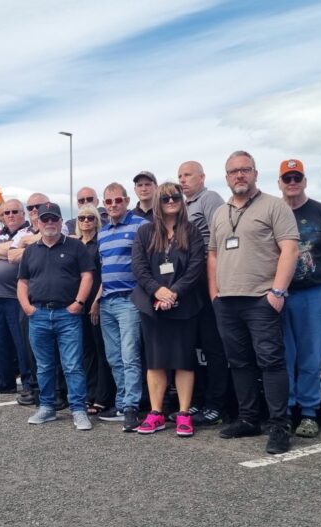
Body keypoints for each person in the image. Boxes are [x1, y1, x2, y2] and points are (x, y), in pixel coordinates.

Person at [208, 150, 299, 455]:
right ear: (227, 177)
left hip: (261, 299)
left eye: (245, 170)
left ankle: (279, 426)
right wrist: (214, 294)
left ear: (256, 173)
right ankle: (249, 419)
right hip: (227, 301)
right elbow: (213, 255)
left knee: (271, 362)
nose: (240, 175)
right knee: (239, 363)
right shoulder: (220, 213)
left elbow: (289, 250)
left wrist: (278, 292)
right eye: (234, 171)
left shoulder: (274, 207)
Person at [277, 159, 321, 438]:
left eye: (297, 177)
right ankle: (284, 411)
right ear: (279, 183)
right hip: (280, 294)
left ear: (305, 181)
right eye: (287, 178)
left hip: (314, 295)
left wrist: (317, 275)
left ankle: (308, 413)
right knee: (283, 356)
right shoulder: (273, 211)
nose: (292, 182)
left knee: (310, 356)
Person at [130, 183, 206, 437]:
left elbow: (196, 267)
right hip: (153, 306)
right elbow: (139, 267)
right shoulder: (145, 232)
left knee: (184, 360)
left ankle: (184, 414)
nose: (171, 201)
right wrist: (157, 291)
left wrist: (173, 293)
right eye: (165, 198)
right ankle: (156, 413)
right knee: (155, 361)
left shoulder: (192, 231)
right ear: (158, 202)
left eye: (175, 197)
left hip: (184, 304)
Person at [17, 203, 94, 430]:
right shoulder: (30, 251)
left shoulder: (75, 246)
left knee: (72, 365)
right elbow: (22, 282)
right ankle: (47, 408)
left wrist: (79, 303)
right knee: (44, 366)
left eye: (54, 219)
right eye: (45, 219)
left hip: (67, 314)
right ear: (38, 223)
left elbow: (87, 276)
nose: (49, 223)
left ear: (61, 221)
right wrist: (27, 307)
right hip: (38, 314)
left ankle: (78, 410)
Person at [177, 160, 229, 426]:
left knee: (212, 345)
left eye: (188, 175)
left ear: (202, 177)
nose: (183, 180)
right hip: (187, 282)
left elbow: (219, 237)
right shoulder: (180, 206)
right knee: (192, 345)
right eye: (180, 176)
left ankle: (216, 405)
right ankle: (195, 400)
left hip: (207, 277)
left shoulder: (209, 199)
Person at [96, 182, 149, 432]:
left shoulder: (141, 225)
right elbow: (102, 269)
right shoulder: (102, 233)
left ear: (127, 201)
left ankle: (131, 407)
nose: (113, 205)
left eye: (118, 200)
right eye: (108, 202)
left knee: (130, 356)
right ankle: (120, 403)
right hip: (107, 300)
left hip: (129, 299)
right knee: (114, 357)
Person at [9, 192, 69, 407]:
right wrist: (26, 306)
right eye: (31, 208)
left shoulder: (61, 229)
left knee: (63, 357)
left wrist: (28, 242)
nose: (35, 211)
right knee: (37, 354)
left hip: (62, 308)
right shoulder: (23, 234)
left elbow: (60, 237)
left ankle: (61, 393)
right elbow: (10, 255)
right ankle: (41, 394)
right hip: (34, 306)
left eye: (39, 207)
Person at [0, 199, 33, 395]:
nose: (10, 215)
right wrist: (6, 250)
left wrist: (3, 252)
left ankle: (28, 383)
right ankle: (5, 382)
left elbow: (16, 255)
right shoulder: (0, 235)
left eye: (14, 212)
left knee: (21, 342)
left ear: (23, 214)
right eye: (6, 213)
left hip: (15, 295)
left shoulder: (28, 232)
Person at [73, 203, 115, 415]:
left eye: (90, 218)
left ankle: (103, 396)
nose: (86, 221)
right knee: (86, 351)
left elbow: (105, 273)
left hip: (97, 302)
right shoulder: (76, 245)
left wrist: (97, 301)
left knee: (102, 350)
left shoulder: (101, 242)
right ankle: (89, 394)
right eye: (82, 218)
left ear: (97, 220)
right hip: (78, 304)